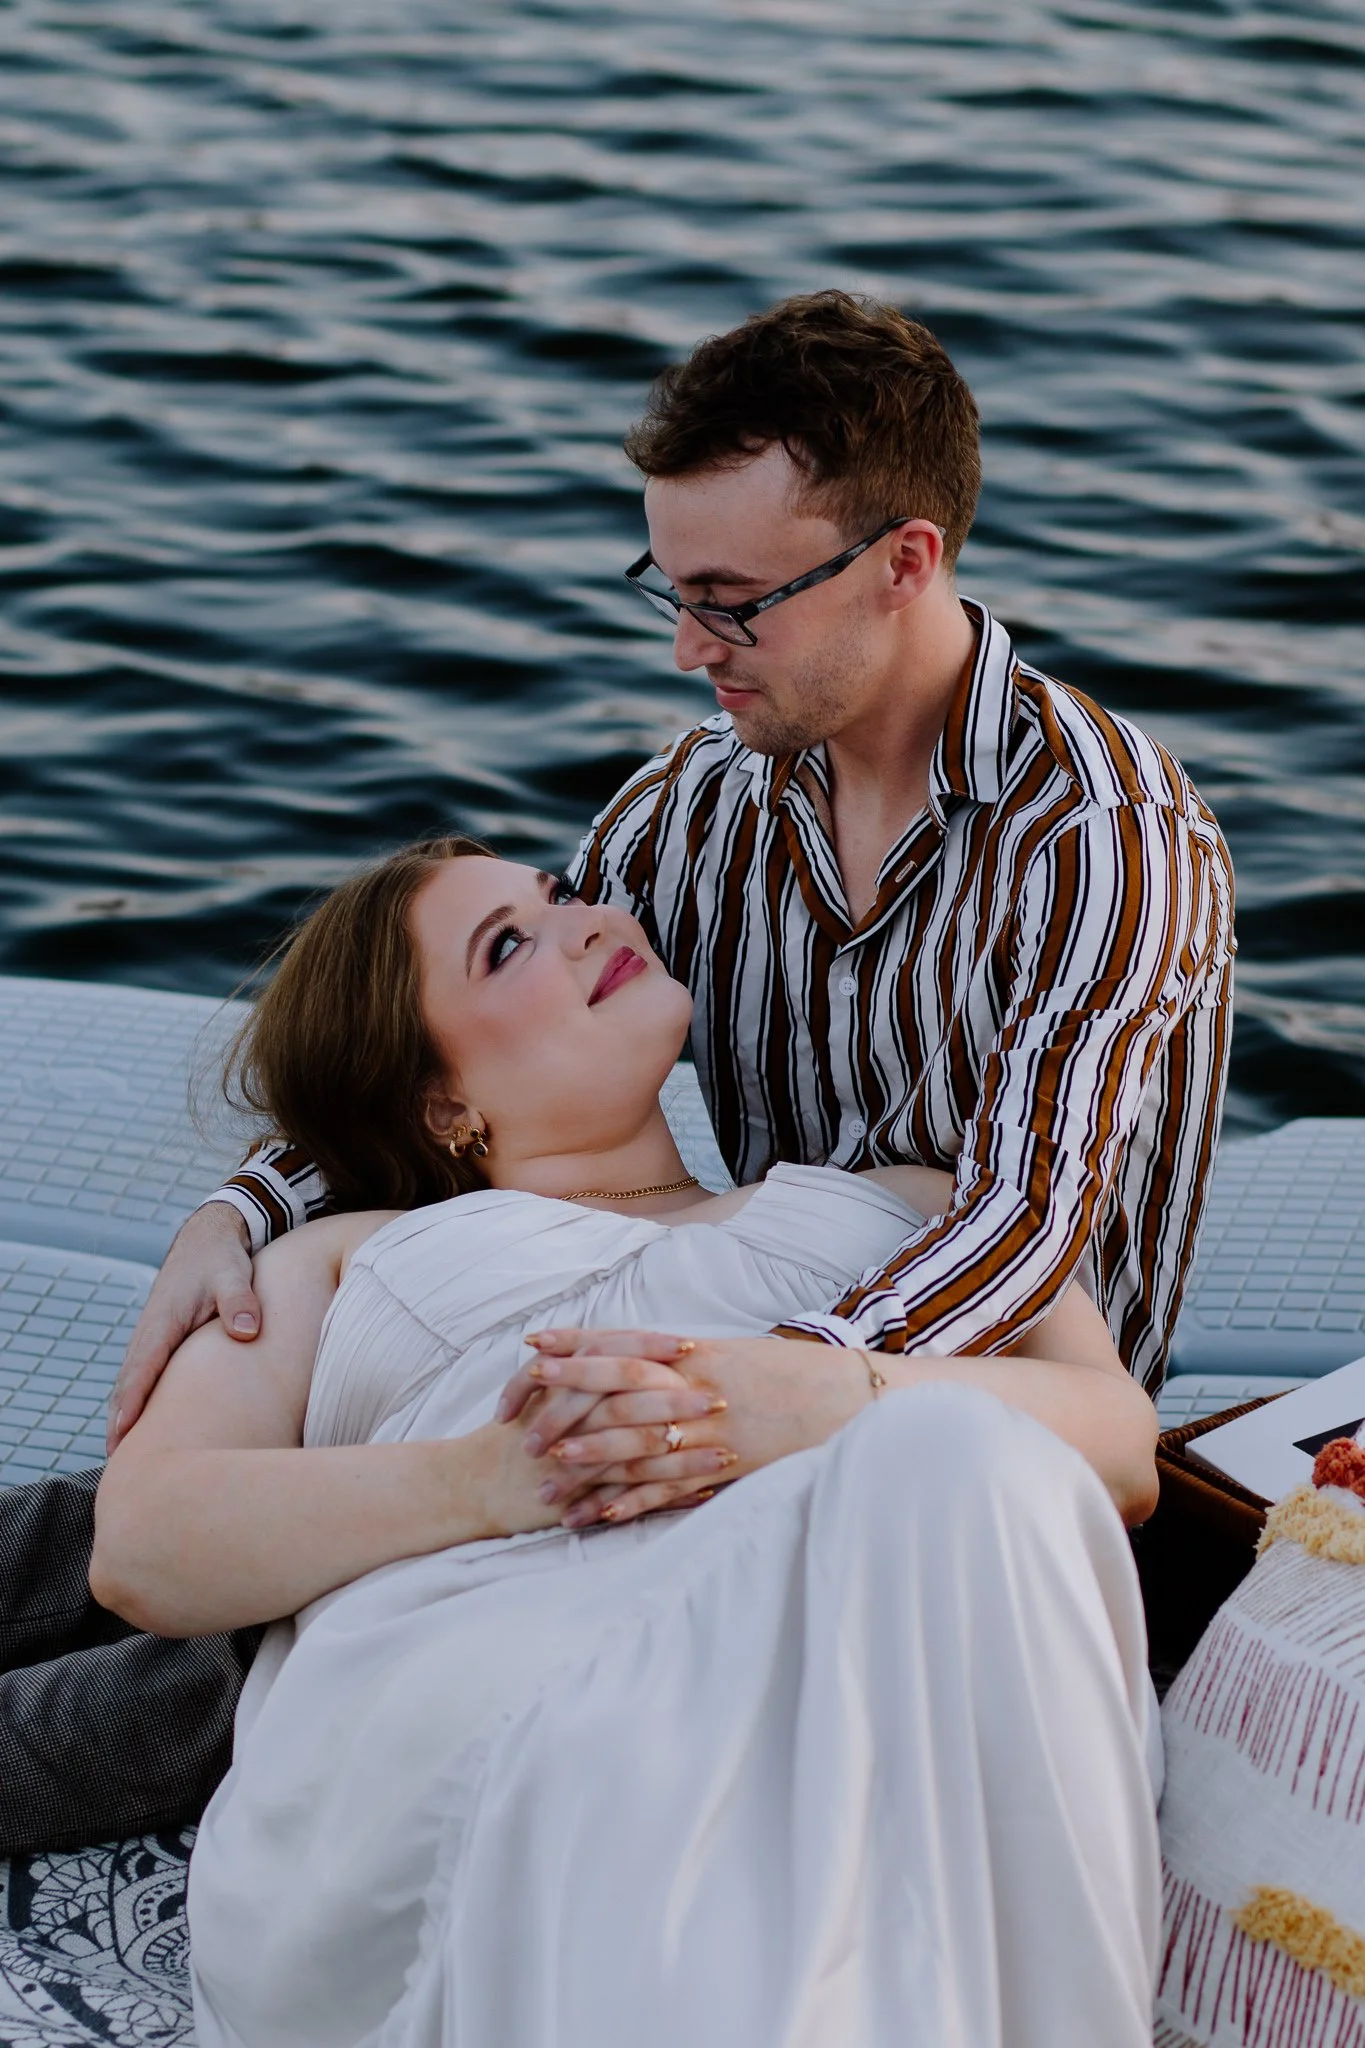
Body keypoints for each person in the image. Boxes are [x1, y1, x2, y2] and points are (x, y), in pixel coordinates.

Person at [110, 289, 1234, 1452]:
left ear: (906, 563)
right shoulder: (700, 798)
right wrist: (240, 1213)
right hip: (716, 1346)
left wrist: (769, 1382)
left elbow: (1025, 1219)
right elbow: (467, 1025)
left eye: (733, 605)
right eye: (674, 588)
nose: (689, 648)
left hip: (995, 1429)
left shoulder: (1104, 840)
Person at [91, 837, 1163, 2048]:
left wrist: (809, 1402)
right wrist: (491, 1476)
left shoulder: (913, 1211)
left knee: (960, 1464)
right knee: (651, 1734)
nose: (590, 920)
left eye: (557, 894)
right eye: (507, 946)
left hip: (808, 1654)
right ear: (443, 1102)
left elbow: (1120, 1450)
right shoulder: (345, 1260)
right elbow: (142, 1539)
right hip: (483, 1704)